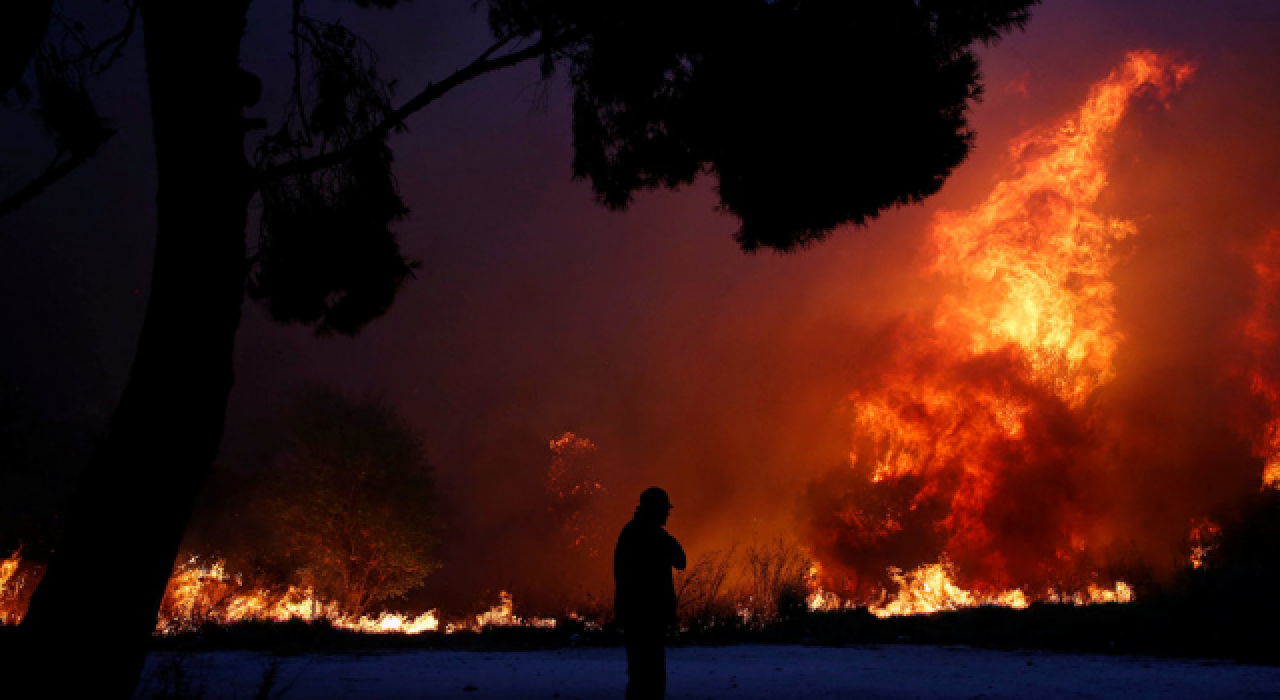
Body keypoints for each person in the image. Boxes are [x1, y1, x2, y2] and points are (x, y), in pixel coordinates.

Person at [614, 486, 686, 700]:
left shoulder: (629, 533)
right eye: (664, 510)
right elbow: (681, 561)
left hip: (635, 616)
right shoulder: (655, 537)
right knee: (650, 677)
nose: (667, 514)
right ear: (654, 509)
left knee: (640, 676)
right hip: (648, 617)